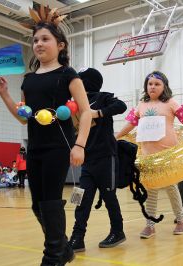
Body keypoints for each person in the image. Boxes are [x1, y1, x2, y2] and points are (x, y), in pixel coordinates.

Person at [0, 6, 91, 265]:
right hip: (35, 148)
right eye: (35, 40)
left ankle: (53, 257)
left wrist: (79, 145)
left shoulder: (68, 75)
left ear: (60, 45)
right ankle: (64, 249)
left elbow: (87, 113)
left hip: (59, 147)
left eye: (45, 39)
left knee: (49, 202)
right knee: (38, 205)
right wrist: (5, 94)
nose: (38, 43)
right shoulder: (28, 80)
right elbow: (24, 115)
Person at [116, 71, 183, 239]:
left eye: (157, 84)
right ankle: (150, 225)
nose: (152, 86)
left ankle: (181, 220)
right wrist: (115, 137)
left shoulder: (170, 103)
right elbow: (130, 125)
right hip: (148, 156)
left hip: (169, 154)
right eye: (150, 84)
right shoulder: (141, 105)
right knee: (151, 189)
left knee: (170, 187)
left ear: (164, 86)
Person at [68, 67, 127, 252]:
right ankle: (77, 238)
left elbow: (121, 106)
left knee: (109, 197)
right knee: (81, 200)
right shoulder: (75, 105)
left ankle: (118, 232)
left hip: (106, 157)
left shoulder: (103, 97)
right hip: (87, 161)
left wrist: (98, 112)